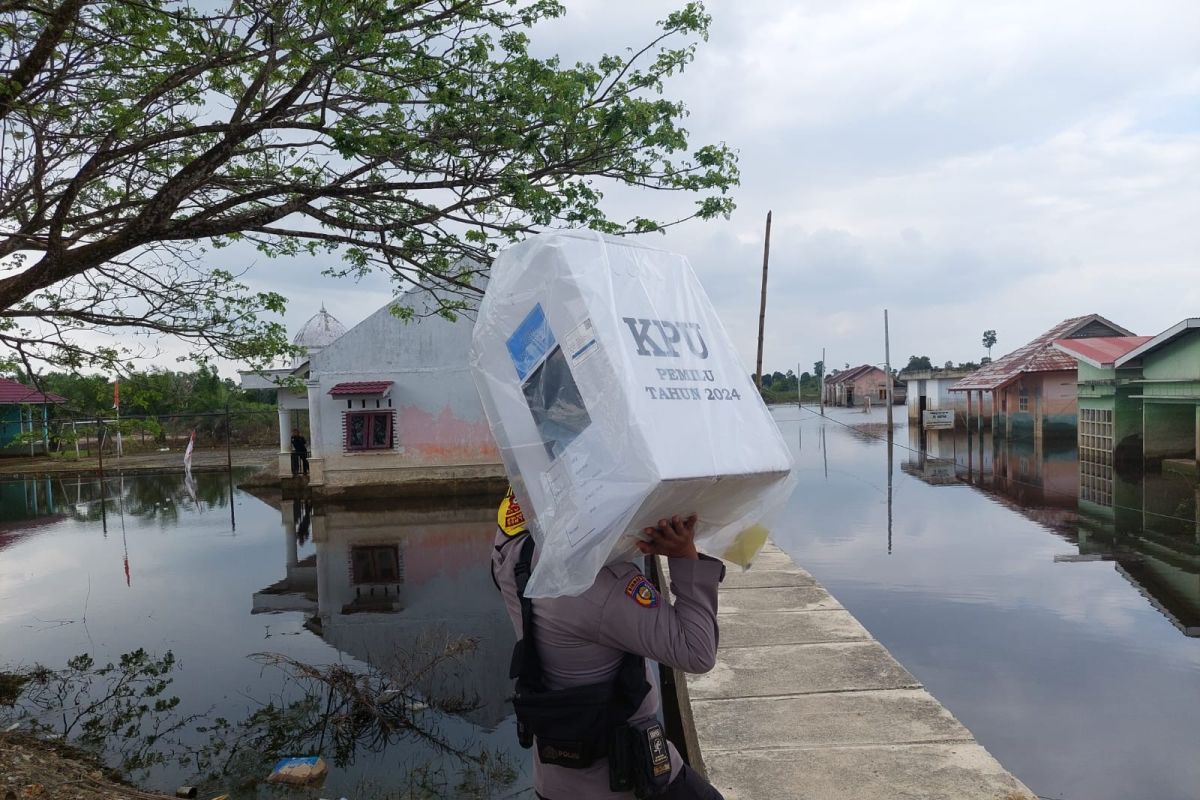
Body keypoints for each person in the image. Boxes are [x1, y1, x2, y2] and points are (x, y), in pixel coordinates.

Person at [491, 488, 726, 800]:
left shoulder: (512, 547)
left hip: (552, 778)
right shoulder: (603, 586)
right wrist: (684, 556)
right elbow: (697, 651)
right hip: (626, 777)